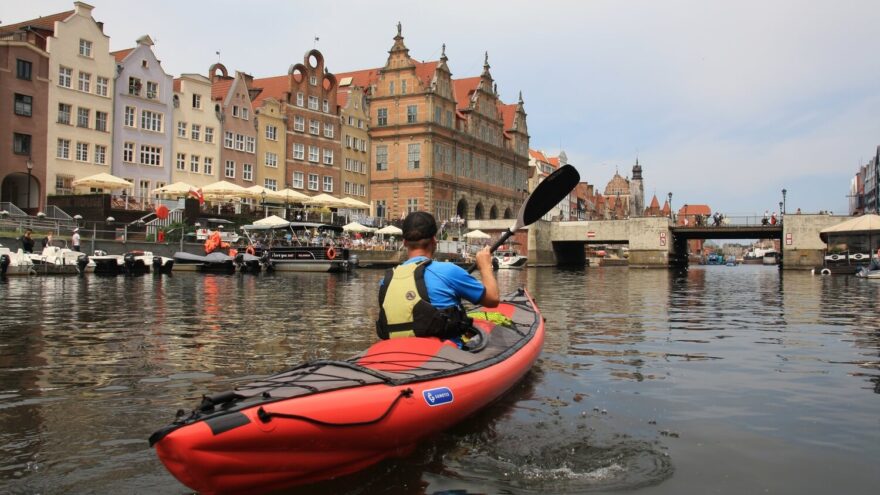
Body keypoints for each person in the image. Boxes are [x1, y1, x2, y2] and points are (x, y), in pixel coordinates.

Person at [376, 211, 499, 342]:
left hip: (398, 355)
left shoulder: (386, 281)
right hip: (443, 356)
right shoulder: (449, 271)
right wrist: (485, 267)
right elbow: (492, 299)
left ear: (405, 242)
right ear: (434, 240)